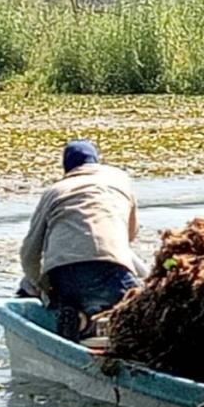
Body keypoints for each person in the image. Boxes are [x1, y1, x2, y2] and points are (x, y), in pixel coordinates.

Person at [20, 140, 143, 340]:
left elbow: (29, 253)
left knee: (70, 300)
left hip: (63, 271)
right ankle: (89, 323)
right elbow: (130, 234)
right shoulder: (120, 180)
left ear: (67, 168)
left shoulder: (55, 191)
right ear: (96, 161)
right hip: (112, 267)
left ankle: (75, 316)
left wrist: (43, 289)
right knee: (141, 314)